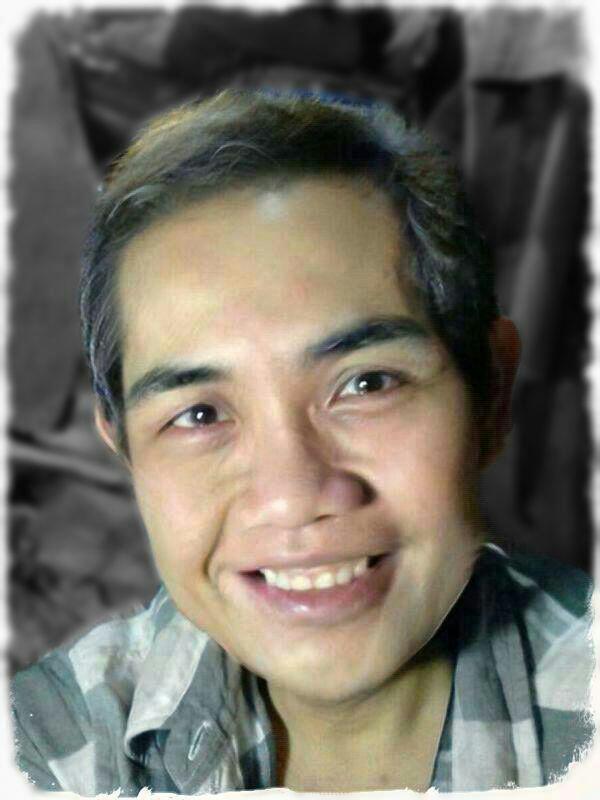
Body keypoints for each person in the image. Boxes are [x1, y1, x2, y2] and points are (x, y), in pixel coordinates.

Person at [11, 89, 594, 795]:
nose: (291, 497)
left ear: (490, 397)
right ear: (127, 451)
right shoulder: (42, 750)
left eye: (367, 383)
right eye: (199, 415)